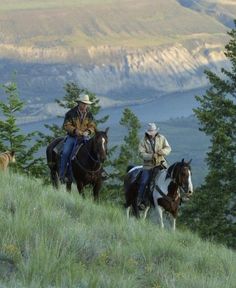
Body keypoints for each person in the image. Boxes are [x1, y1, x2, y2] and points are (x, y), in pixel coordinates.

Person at [59, 94, 96, 183]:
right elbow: (66, 125)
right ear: (79, 103)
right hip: (73, 137)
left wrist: (89, 131)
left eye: (86, 104)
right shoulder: (70, 113)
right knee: (65, 153)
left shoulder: (89, 114)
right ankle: (62, 175)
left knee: (96, 151)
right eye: (83, 103)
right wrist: (75, 131)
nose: (85, 105)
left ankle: (98, 173)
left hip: (85, 137)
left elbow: (92, 126)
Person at [138, 122, 171, 208]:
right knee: (144, 182)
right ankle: (141, 200)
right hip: (148, 166)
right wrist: (151, 156)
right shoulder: (143, 141)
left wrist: (161, 152)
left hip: (161, 164)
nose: (152, 134)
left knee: (172, 177)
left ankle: (176, 196)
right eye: (150, 133)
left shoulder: (162, 138)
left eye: (153, 132)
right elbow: (141, 153)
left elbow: (168, 148)